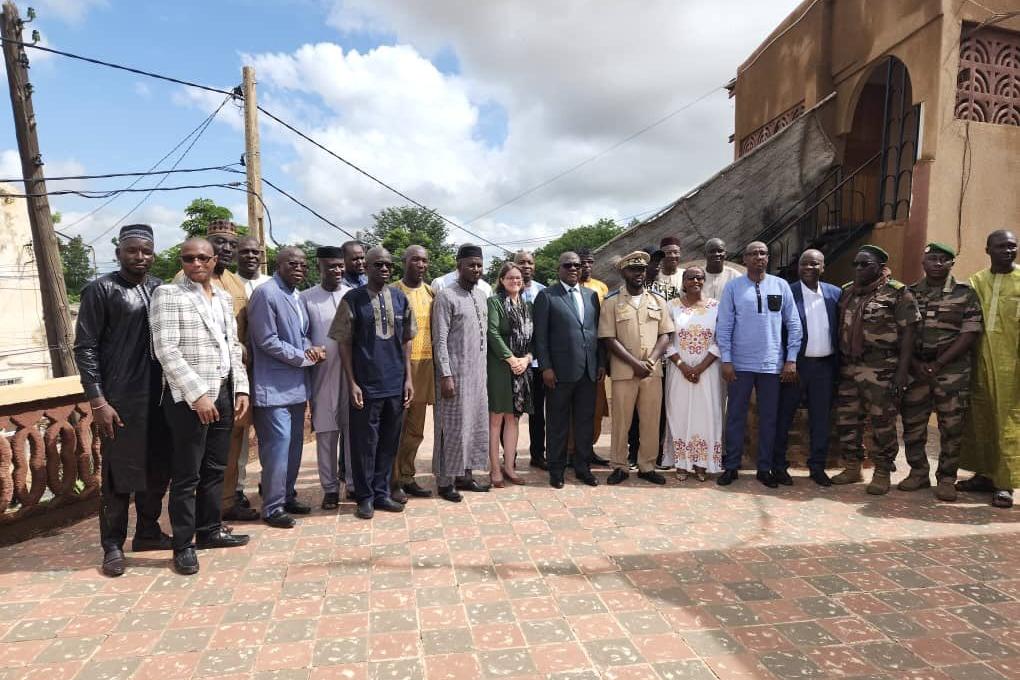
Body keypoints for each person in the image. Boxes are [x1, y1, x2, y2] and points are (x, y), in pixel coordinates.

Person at [74, 224, 172, 577]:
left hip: (160, 397)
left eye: (146, 251)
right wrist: (98, 401)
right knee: (118, 476)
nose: (140, 257)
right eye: (132, 250)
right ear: (118, 253)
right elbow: (85, 348)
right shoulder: (101, 290)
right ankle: (113, 545)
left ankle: (147, 532)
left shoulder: (160, 289)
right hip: (120, 398)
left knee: (158, 469)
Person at [150, 238, 250, 575]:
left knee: (216, 468)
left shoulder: (222, 297)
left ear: (214, 260)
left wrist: (241, 388)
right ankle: (183, 545)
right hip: (188, 400)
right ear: (181, 261)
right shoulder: (168, 294)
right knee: (186, 474)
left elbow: (232, 346)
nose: (196, 264)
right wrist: (197, 396)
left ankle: (210, 530)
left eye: (202, 258)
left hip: (224, 392)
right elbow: (165, 350)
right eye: (188, 258)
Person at [330, 247, 416, 519]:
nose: (384, 269)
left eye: (388, 264)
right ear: (366, 267)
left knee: (389, 443)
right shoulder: (352, 299)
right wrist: (352, 382)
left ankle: (381, 493)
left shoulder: (400, 298)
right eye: (378, 264)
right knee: (364, 444)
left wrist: (408, 379)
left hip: (395, 383)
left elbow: (407, 340)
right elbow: (344, 342)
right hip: (366, 386)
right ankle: (364, 497)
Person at [831, 245, 920, 494]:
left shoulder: (898, 293)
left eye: (865, 264)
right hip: (850, 366)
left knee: (883, 422)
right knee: (847, 419)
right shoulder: (848, 291)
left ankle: (882, 471)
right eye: (856, 264)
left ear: (880, 268)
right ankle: (852, 467)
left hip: (882, 368)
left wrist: (902, 373)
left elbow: (909, 335)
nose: (859, 269)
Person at [898, 242, 982, 502]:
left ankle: (946, 478)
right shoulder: (909, 293)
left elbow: (970, 333)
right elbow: (902, 332)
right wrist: (914, 364)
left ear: (951, 264)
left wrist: (940, 363)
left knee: (952, 428)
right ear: (923, 263)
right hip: (917, 370)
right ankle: (918, 472)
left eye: (943, 260)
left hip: (952, 371)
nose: (937, 264)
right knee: (913, 425)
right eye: (932, 259)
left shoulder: (965, 293)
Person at [716, 241, 802, 488]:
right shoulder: (733, 287)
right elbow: (724, 326)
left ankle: (764, 468)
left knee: (769, 418)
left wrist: (791, 358)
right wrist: (727, 359)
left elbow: (794, 324)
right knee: (735, 416)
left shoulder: (780, 285)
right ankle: (731, 466)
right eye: (753, 253)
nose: (758, 257)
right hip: (740, 365)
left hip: (772, 365)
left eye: (762, 253)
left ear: (768, 257)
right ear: (744, 259)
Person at [248, 247, 322, 528]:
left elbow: (302, 334)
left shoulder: (296, 296)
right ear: (278, 265)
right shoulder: (266, 294)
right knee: (277, 447)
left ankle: (287, 495)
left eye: (303, 264)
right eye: (293, 264)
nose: (299, 269)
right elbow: (266, 340)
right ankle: (272, 507)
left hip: (297, 385)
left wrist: (310, 348)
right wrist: (302, 357)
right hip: (273, 387)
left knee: (293, 447)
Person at [599, 251, 674, 485]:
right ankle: (620, 466)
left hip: (652, 372)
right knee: (622, 421)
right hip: (623, 371)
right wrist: (635, 363)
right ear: (623, 273)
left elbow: (665, 334)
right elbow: (608, 338)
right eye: (633, 270)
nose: (639, 274)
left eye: (641, 269)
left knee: (651, 420)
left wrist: (649, 362)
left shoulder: (658, 301)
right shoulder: (612, 302)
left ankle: (647, 466)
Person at [958, 230, 1019, 508]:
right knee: (980, 418)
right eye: (1001, 246)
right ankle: (983, 475)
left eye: (1012, 246)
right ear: (987, 250)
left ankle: (1005, 483)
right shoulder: (977, 282)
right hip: (979, 362)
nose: (1008, 251)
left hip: (1012, 366)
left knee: (1008, 422)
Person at [534, 251, 603, 488]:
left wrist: (600, 363)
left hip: (588, 371)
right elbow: (540, 337)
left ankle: (583, 468)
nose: (573, 268)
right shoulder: (547, 296)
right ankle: (556, 470)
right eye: (568, 265)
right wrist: (546, 367)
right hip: (559, 373)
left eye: (577, 265)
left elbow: (596, 332)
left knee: (585, 422)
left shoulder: (591, 296)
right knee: (557, 423)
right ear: (559, 269)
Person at [773, 249, 842, 487]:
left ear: (823, 267)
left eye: (814, 264)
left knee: (820, 419)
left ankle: (817, 467)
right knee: (784, 417)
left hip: (824, 367)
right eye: (804, 264)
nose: (808, 268)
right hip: (795, 366)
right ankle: (778, 466)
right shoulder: (788, 292)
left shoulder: (835, 294)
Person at [432, 244, 491, 501]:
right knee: (452, 428)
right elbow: (439, 339)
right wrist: (445, 375)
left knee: (474, 426)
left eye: (479, 265)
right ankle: (445, 483)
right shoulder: (446, 296)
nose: (476, 269)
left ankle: (466, 476)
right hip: (454, 375)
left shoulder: (481, 296)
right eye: (471, 265)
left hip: (478, 375)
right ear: (459, 266)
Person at [222, 235, 270, 522]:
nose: (251, 256)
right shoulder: (225, 283)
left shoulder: (271, 284)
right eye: (245, 251)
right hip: (235, 372)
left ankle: (271, 481)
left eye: (255, 251)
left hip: (266, 372)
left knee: (269, 432)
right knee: (237, 437)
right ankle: (236, 490)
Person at [301, 247, 353, 510]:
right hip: (322, 374)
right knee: (326, 432)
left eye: (340, 265)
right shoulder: (306, 298)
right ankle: (330, 488)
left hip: (352, 373)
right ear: (319, 267)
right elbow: (300, 333)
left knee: (352, 432)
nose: (337, 270)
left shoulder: (353, 295)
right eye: (331, 266)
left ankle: (353, 484)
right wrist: (309, 347)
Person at [662, 267, 723, 480]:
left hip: (708, 371)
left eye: (699, 277)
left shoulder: (716, 306)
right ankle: (681, 462)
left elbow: (720, 340)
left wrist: (699, 368)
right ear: (683, 281)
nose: (695, 281)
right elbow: (666, 341)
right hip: (679, 371)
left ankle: (701, 463)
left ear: (704, 280)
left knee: (706, 415)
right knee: (678, 413)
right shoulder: (671, 306)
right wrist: (683, 366)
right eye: (690, 277)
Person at [392, 245, 436, 500]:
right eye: (415, 260)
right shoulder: (393, 291)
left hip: (425, 365)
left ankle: (407, 476)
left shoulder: (431, 292)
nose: (420, 264)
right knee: (396, 428)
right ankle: (392, 480)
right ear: (404, 261)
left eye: (424, 260)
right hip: (399, 367)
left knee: (416, 430)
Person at [487, 263, 533, 487]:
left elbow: (534, 338)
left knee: (513, 418)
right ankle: (495, 469)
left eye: (518, 278)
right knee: (496, 418)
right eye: (510, 277)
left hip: (521, 368)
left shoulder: (527, 306)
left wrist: (526, 359)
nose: (515, 281)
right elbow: (492, 332)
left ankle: (510, 468)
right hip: (499, 366)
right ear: (502, 280)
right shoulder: (494, 302)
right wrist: (511, 358)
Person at [515, 250, 548, 471]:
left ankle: (537, 454)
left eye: (530, 262)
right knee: (512, 413)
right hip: (514, 362)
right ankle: (510, 455)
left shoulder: (543, 292)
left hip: (537, 363)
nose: (526, 266)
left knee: (537, 414)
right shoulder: (506, 291)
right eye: (522, 262)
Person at [577, 248, 610, 462]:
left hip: (596, 353)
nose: (586, 266)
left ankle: (589, 448)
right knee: (575, 407)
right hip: (574, 357)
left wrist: (603, 360)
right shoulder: (569, 288)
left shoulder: (601, 287)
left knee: (596, 407)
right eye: (582, 263)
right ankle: (571, 450)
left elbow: (604, 325)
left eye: (590, 262)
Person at [654, 237, 684, 301]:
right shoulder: (654, 277)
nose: (673, 256)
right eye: (668, 253)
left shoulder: (686, 275)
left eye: (676, 252)